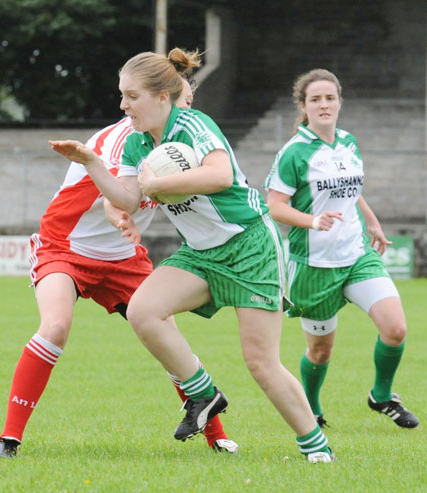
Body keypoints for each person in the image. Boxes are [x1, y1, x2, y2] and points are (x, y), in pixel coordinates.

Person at [49, 48, 337, 463]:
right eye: (122, 95)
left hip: (250, 247)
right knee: (143, 311)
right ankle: (203, 393)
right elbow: (128, 198)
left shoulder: (193, 123)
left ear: (162, 97)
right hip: (201, 253)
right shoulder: (136, 143)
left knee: (260, 363)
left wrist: (161, 184)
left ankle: (316, 448)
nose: (123, 105)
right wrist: (93, 162)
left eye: (131, 96)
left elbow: (220, 175)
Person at [0, 78, 238, 459]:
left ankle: (217, 437)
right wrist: (122, 216)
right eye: (183, 103)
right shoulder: (125, 138)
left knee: (167, 338)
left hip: (122, 256)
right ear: (162, 99)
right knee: (55, 326)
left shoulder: (181, 141)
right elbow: (114, 197)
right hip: (66, 245)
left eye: (190, 104)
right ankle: (8, 439)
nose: (187, 112)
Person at [264, 68, 419, 429]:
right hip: (314, 265)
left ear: (339, 102)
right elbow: (274, 206)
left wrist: (372, 221)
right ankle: (313, 410)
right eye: (315, 99)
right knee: (321, 351)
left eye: (330, 98)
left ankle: (381, 396)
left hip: (357, 255)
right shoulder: (294, 153)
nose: (324, 104)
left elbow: (351, 189)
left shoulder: (348, 141)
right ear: (303, 106)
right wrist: (313, 221)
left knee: (395, 328)